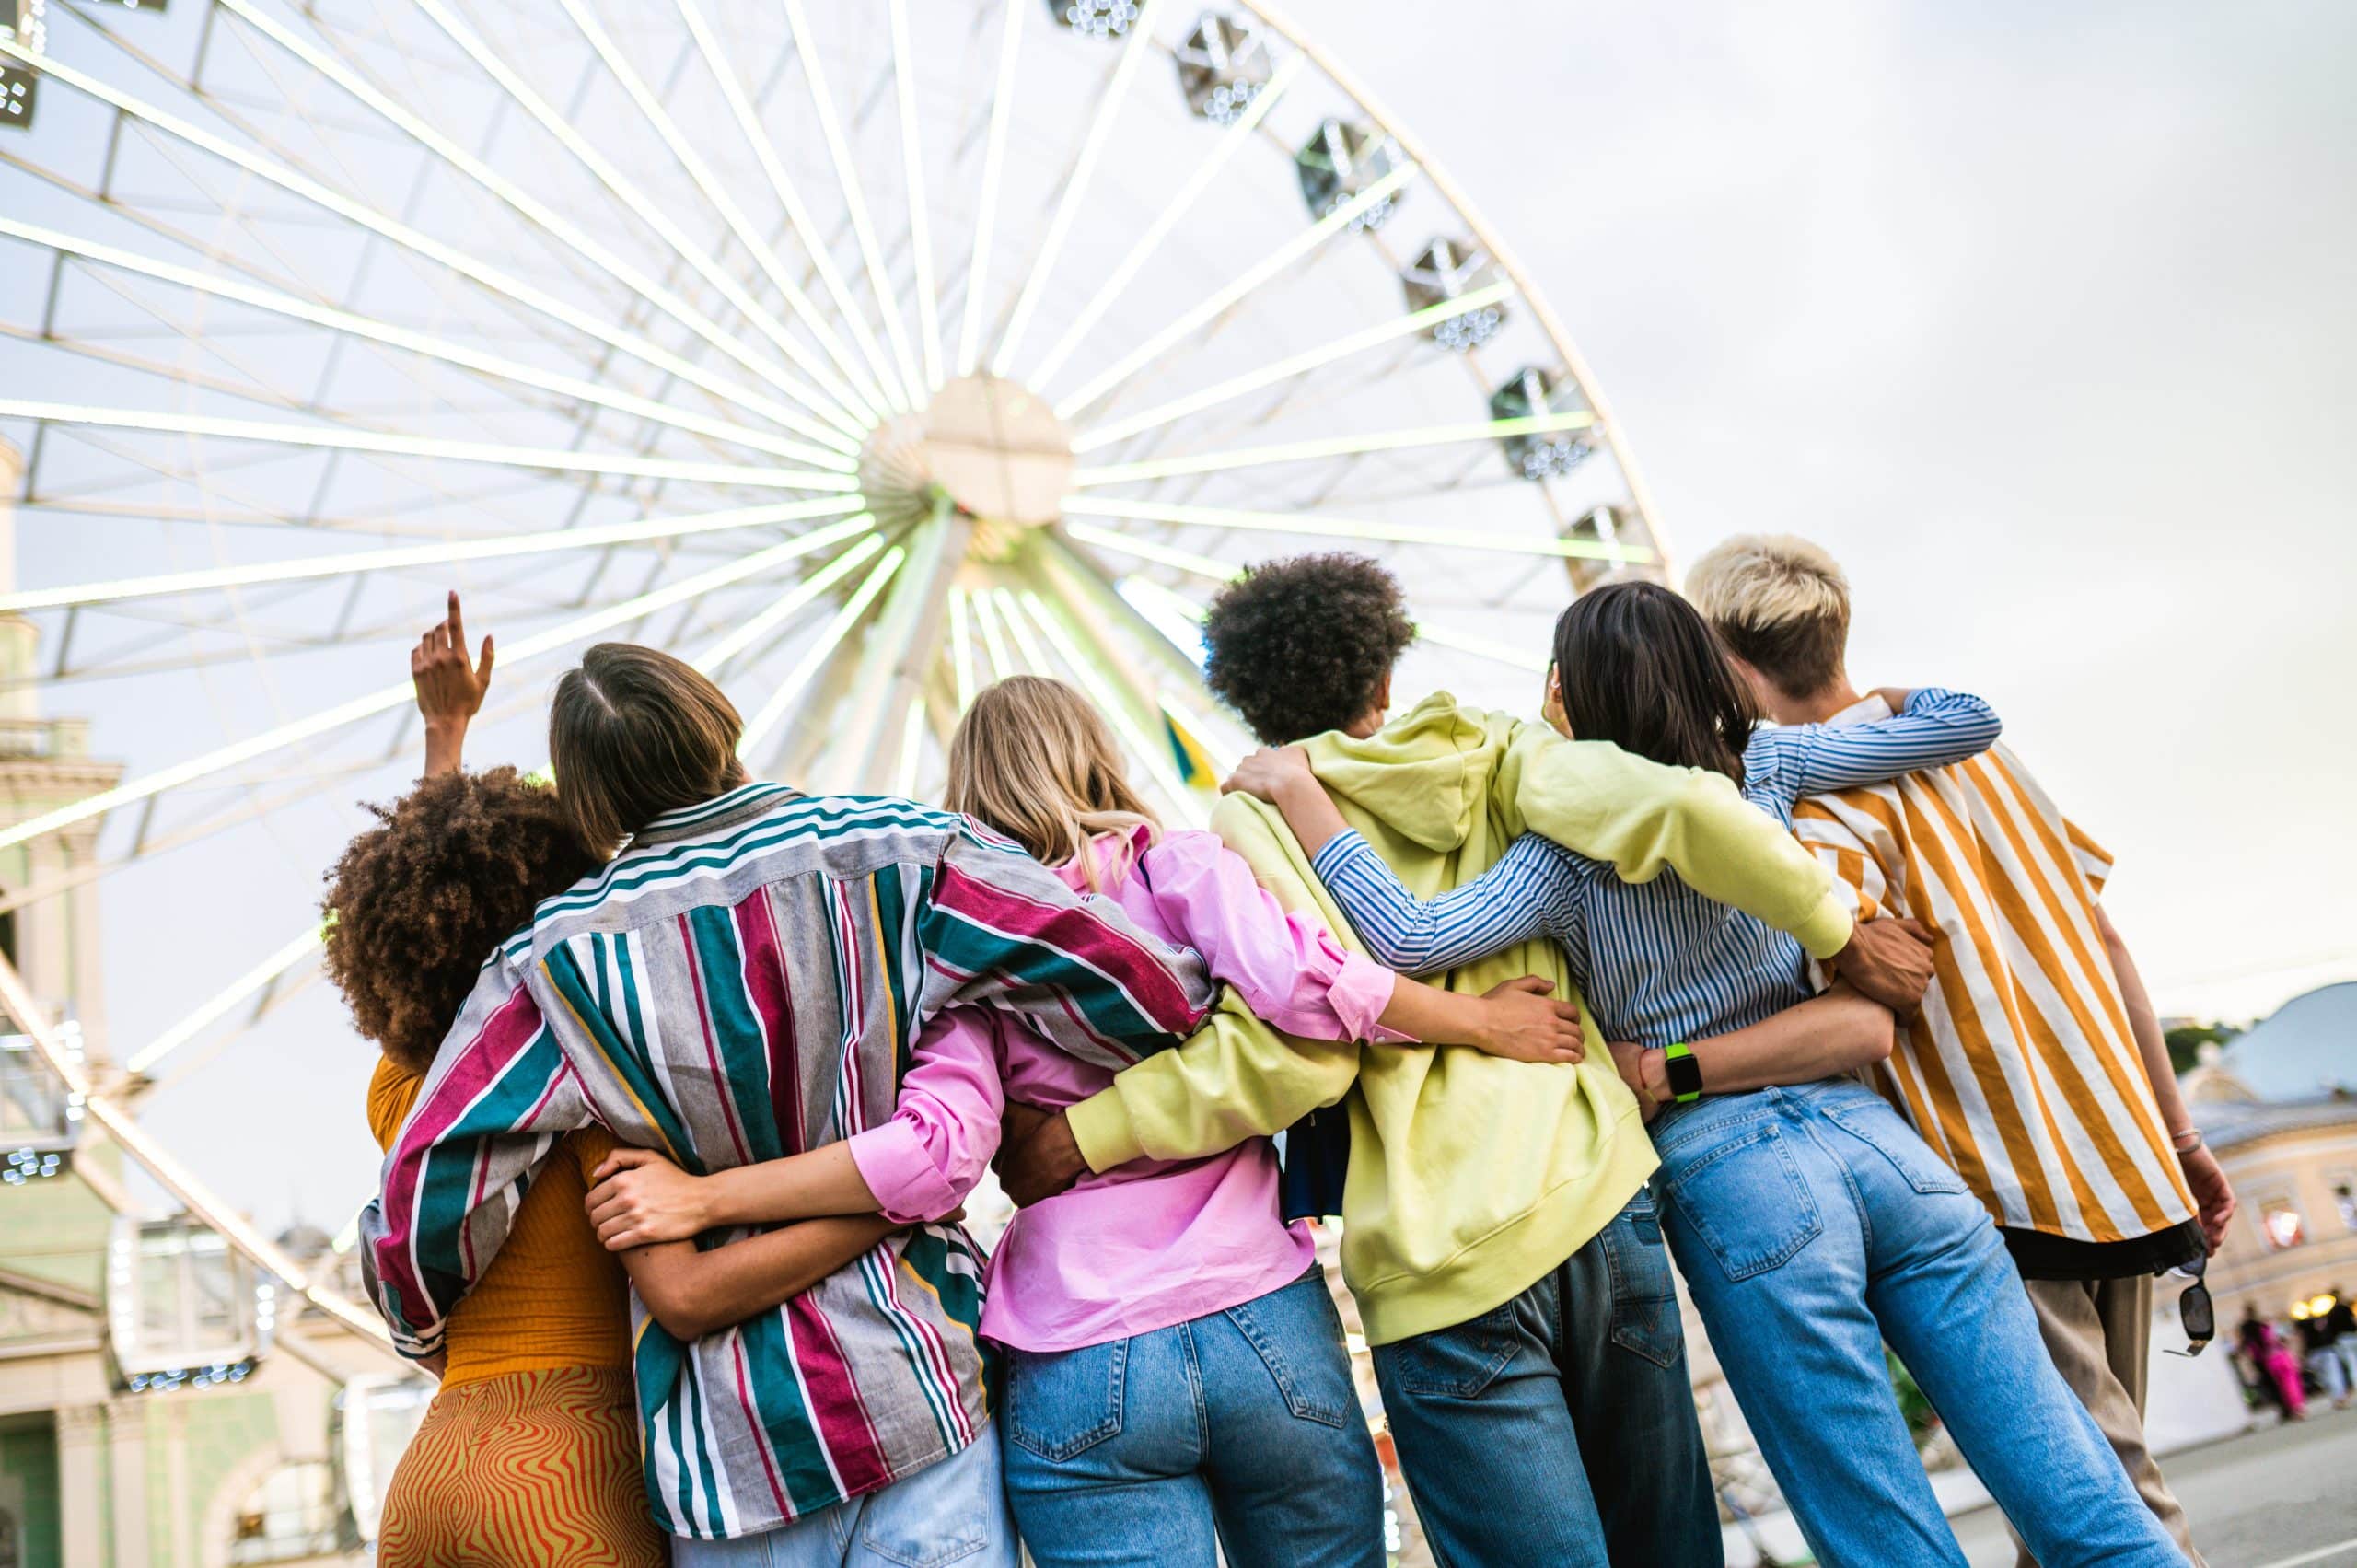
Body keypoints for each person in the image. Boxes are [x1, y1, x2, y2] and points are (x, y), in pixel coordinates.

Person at [993, 554, 1942, 1568]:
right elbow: (1687, 805)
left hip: (1439, 1259)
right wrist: (1836, 930)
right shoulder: (1499, 747)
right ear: (1386, 676)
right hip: (1593, 1194)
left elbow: (1302, 1048)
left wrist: (1086, 1131)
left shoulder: (1251, 820)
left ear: (1244, 701)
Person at [1233, 580, 2182, 1568]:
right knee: (2083, 1498)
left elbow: (1411, 935)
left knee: (1880, 1529)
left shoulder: (1563, 847)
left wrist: (1305, 800)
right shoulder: (1766, 763)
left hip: (1733, 1173)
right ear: (1709, 667)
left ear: (1565, 695)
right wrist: (1885, 694)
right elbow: (1965, 722)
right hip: (1877, 1144)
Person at [580, 673, 1586, 1567]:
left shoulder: (964, 956)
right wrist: (1476, 1020)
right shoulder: (1171, 868)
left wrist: (707, 1193)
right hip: (1263, 1314)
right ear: (1094, 753)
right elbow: (1297, 985)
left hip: (1076, 1345)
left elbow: (935, 1155)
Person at [358, 636, 1257, 1568]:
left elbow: (422, 1194)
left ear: (589, 798)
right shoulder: (910, 851)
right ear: (718, 724)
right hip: (911, 1392)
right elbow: (1146, 989)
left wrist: (416, 1328)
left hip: (730, 1456)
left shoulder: (552, 961)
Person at [1688, 533, 2234, 1567]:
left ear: (1727, 659)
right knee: (2072, 1505)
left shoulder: (1817, 813)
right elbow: (2105, 940)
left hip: (1995, 1184)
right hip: (2118, 1156)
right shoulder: (1974, 750)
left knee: (2108, 1506)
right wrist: (2178, 1131)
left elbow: (1852, 1014)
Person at [328, 598, 904, 1567]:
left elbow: (426, 885)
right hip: (571, 1471)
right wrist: (888, 1198)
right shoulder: (598, 1073)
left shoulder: (407, 1092)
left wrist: (444, 736)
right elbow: (684, 1286)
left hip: (429, 1479)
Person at [2239, 1305, 2307, 1421]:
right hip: (2278, 1357)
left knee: (2280, 1386)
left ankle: (2288, 1409)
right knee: (2290, 1382)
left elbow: (2247, 1347)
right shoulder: (2266, 1328)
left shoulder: (2248, 1331)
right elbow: (2283, 1340)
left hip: (2266, 1361)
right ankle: (2297, 1407)